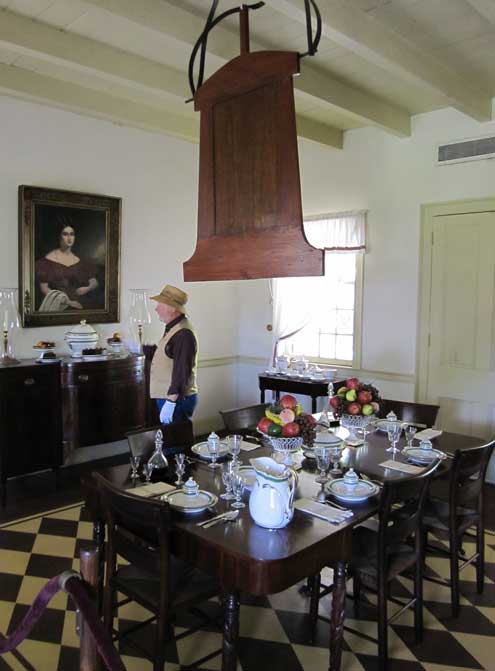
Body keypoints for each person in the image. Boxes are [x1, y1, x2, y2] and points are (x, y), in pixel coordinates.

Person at [149, 284, 198, 425]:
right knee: (174, 442)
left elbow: (182, 370)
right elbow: (168, 354)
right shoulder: (174, 328)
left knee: (176, 444)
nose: (156, 309)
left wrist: (171, 403)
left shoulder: (183, 333)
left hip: (176, 399)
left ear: (172, 308)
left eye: (160, 304)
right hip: (172, 398)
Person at [35, 216, 99, 311]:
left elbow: (94, 282)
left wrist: (87, 288)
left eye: (72, 234)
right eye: (65, 234)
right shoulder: (46, 262)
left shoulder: (80, 261)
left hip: (80, 305)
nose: (69, 238)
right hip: (58, 306)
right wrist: (68, 302)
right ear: (59, 236)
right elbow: (44, 289)